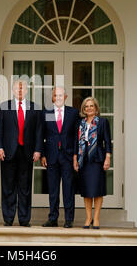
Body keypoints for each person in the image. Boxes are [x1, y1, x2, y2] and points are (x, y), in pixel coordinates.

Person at [0, 79, 43, 227]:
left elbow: (39, 131)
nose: (20, 91)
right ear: (13, 90)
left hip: (27, 152)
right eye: (17, 88)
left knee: (25, 187)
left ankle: (24, 219)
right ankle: (8, 219)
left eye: (22, 89)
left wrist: (38, 149)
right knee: (8, 186)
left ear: (27, 91)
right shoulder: (4, 107)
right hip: (8, 152)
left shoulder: (35, 108)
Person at [41, 87, 80, 228]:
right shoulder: (47, 112)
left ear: (66, 97)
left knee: (68, 189)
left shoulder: (73, 113)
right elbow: (42, 134)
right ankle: (53, 218)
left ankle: (69, 219)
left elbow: (77, 136)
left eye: (61, 95)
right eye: (55, 95)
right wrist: (43, 154)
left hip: (68, 156)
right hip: (51, 156)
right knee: (53, 189)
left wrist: (75, 155)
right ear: (52, 98)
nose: (58, 97)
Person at [74, 97, 112, 229]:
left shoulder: (102, 122)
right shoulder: (80, 123)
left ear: (96, 108)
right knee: (86, 190)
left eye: (91, 106)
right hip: (83, 160)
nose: (89, 108)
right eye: (86, 106)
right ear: (83, 109)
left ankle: (96, 218)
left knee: (97, 189)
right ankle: (88, 217)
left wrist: (108, 158)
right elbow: (76, 142)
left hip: (97, 160)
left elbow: (107, 141)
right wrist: (75, 160)